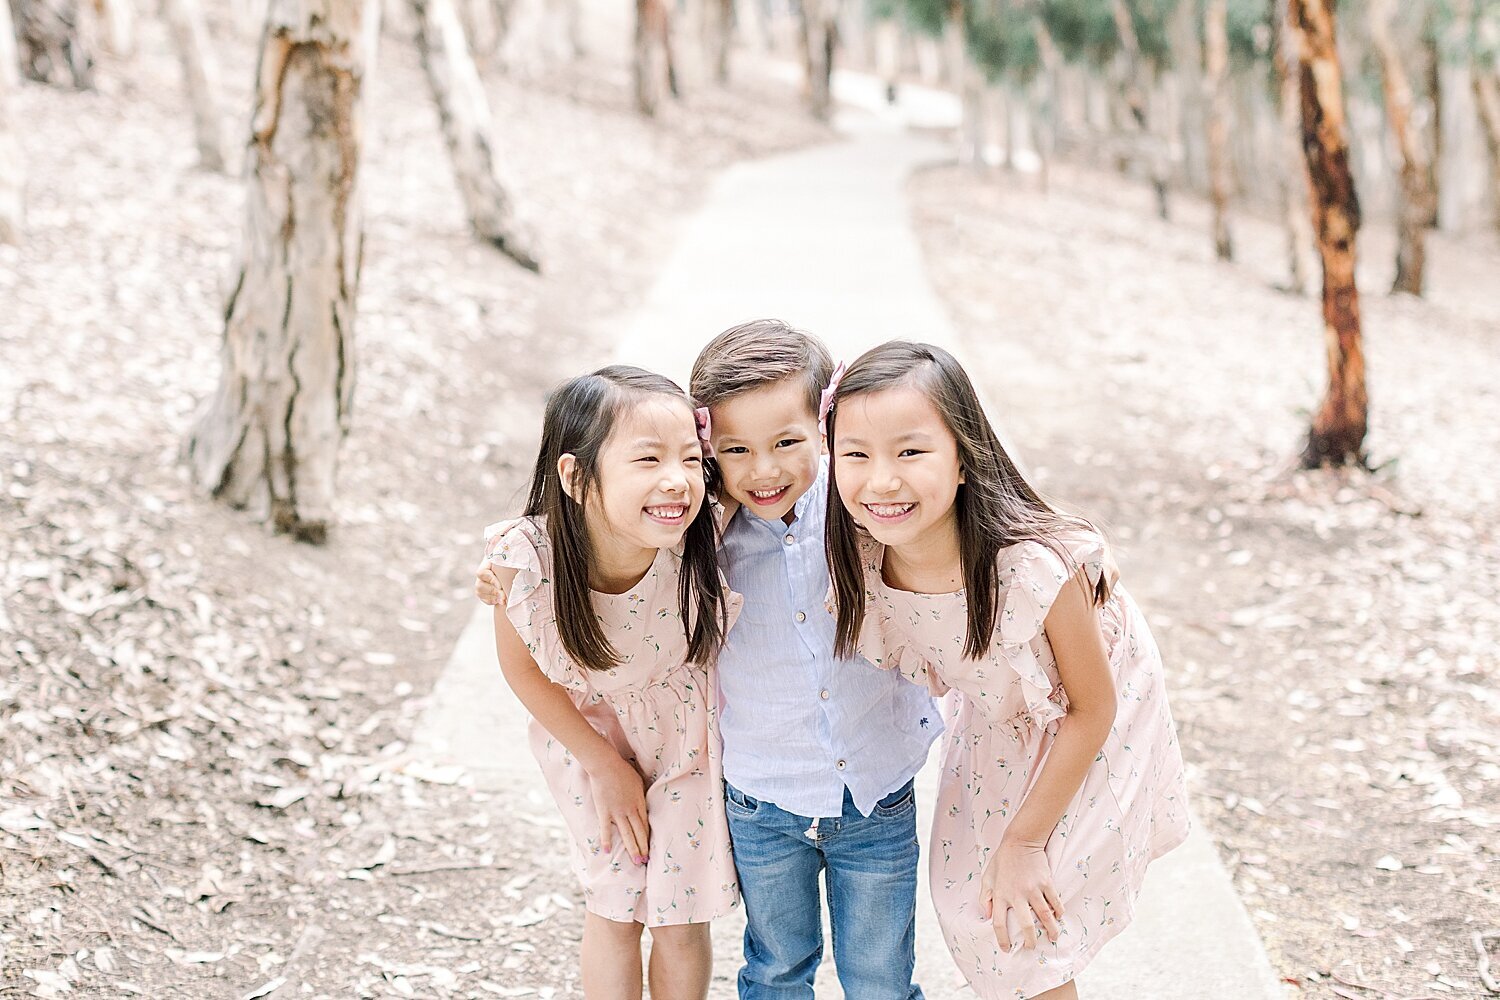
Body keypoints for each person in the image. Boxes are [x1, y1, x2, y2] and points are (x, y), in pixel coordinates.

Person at [479, 321, 935, 999]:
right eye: (731, 451)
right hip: (682, 771)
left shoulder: (814, 510)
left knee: (850, 971)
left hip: (793, 770)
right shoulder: (638, 542)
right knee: (696, 934)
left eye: (691, 461)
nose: (763, 469)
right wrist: (602, 761)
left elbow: (952, 508)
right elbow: (534, 644)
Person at [823, 341, 1190, 1000]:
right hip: (1002, 710)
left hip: (1098, 709)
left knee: (1028, 913)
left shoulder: (1035, 568)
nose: (882, 480)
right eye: (856, 455)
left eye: (910, 452)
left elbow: (1092, 708)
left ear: (963, 458)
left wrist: (1024, 840)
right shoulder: (863, 556)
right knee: (970, 901)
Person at [482, 365, 738, 1000]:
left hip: (687, 740)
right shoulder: (526, 561)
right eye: (646, 459)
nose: (675, 480)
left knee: (680, 912)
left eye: (688, 458)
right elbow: (522, 671)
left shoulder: (700, 533)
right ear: (575, 477)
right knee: (616, 904)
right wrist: (604, 765)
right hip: (588, 740)